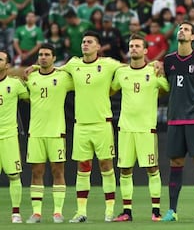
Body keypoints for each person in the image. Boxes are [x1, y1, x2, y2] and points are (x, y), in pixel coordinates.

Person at [50, 31, 123, 223]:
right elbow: (54, 70)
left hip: (102, 124)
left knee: (106, 166)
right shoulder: (74, 64)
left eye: (90, 42)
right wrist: (33, 67)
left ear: (98, 47)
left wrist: (154, 64)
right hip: (81, 125)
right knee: (82, 168)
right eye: (83, 42)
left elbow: (130, 67)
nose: (85, 45)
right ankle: (81, 212)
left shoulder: (108, 64)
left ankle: (109, 211)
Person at [111, 34, 169, 222]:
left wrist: (160, 67)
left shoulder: (154, 71)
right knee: (125, 170)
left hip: (146, 129)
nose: (133, 48)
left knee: (152, 169)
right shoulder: (121, 73)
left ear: (145, 50)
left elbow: (169, 89)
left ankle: (156, 211)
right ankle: (127, 211)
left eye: (137, 46)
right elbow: (111, 90)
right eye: (131, 45)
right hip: (126, 129)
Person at [162, 22, 194, 222]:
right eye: (180, 28)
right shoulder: (167, 61)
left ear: (193, 37)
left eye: (186, 29)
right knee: (175, 163)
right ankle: (172, 211)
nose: (181, 31)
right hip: (175, 120)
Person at [25, 43, 74, 224]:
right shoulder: (30, 77)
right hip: (35, 133)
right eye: (40, 55)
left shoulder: (63, 78)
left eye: (47, 54)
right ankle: (36, 213)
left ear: (54, 58)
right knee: (36, 172)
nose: (43, 57)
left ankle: (57, 213)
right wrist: (36, 68)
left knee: (58, 171)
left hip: (56, 132)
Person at [0, 50, 29, 223]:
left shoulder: (15, 84)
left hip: (9, 136)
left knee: (14, 175)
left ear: (8, 65)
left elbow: (32, 99)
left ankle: (16, 213)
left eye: (0, 59)